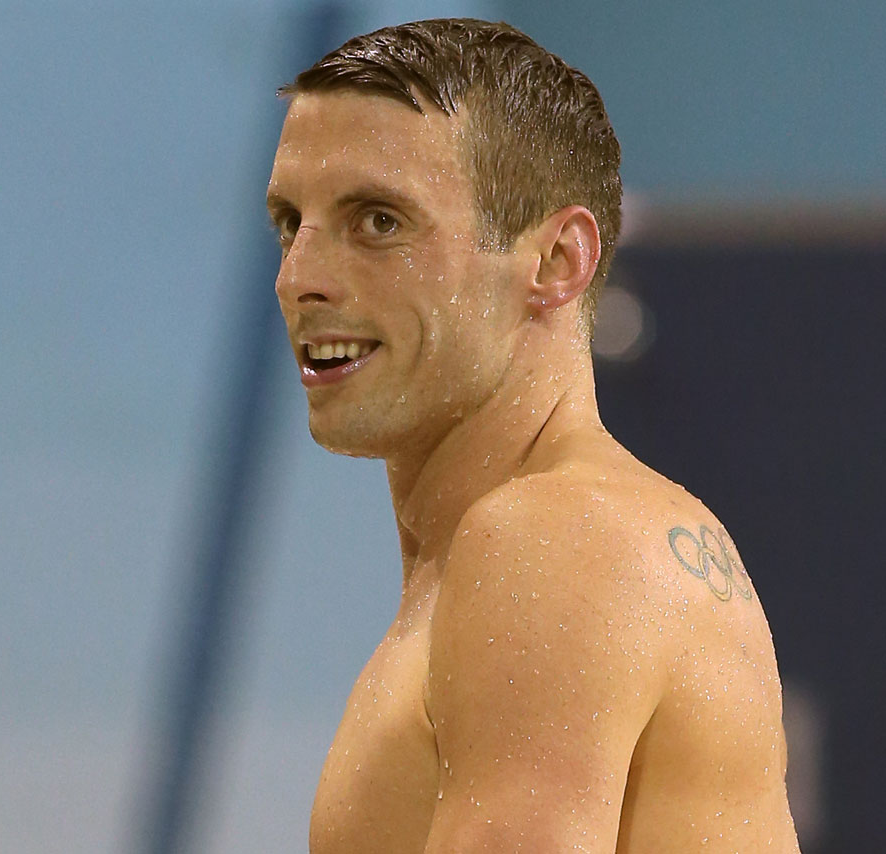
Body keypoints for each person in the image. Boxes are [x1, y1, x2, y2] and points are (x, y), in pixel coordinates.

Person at [265, 18, 799, 853]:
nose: (299, 278)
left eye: (378, 222)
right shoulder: (528, 544)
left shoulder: (552, 539)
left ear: (556, 261)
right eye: (290, 222)